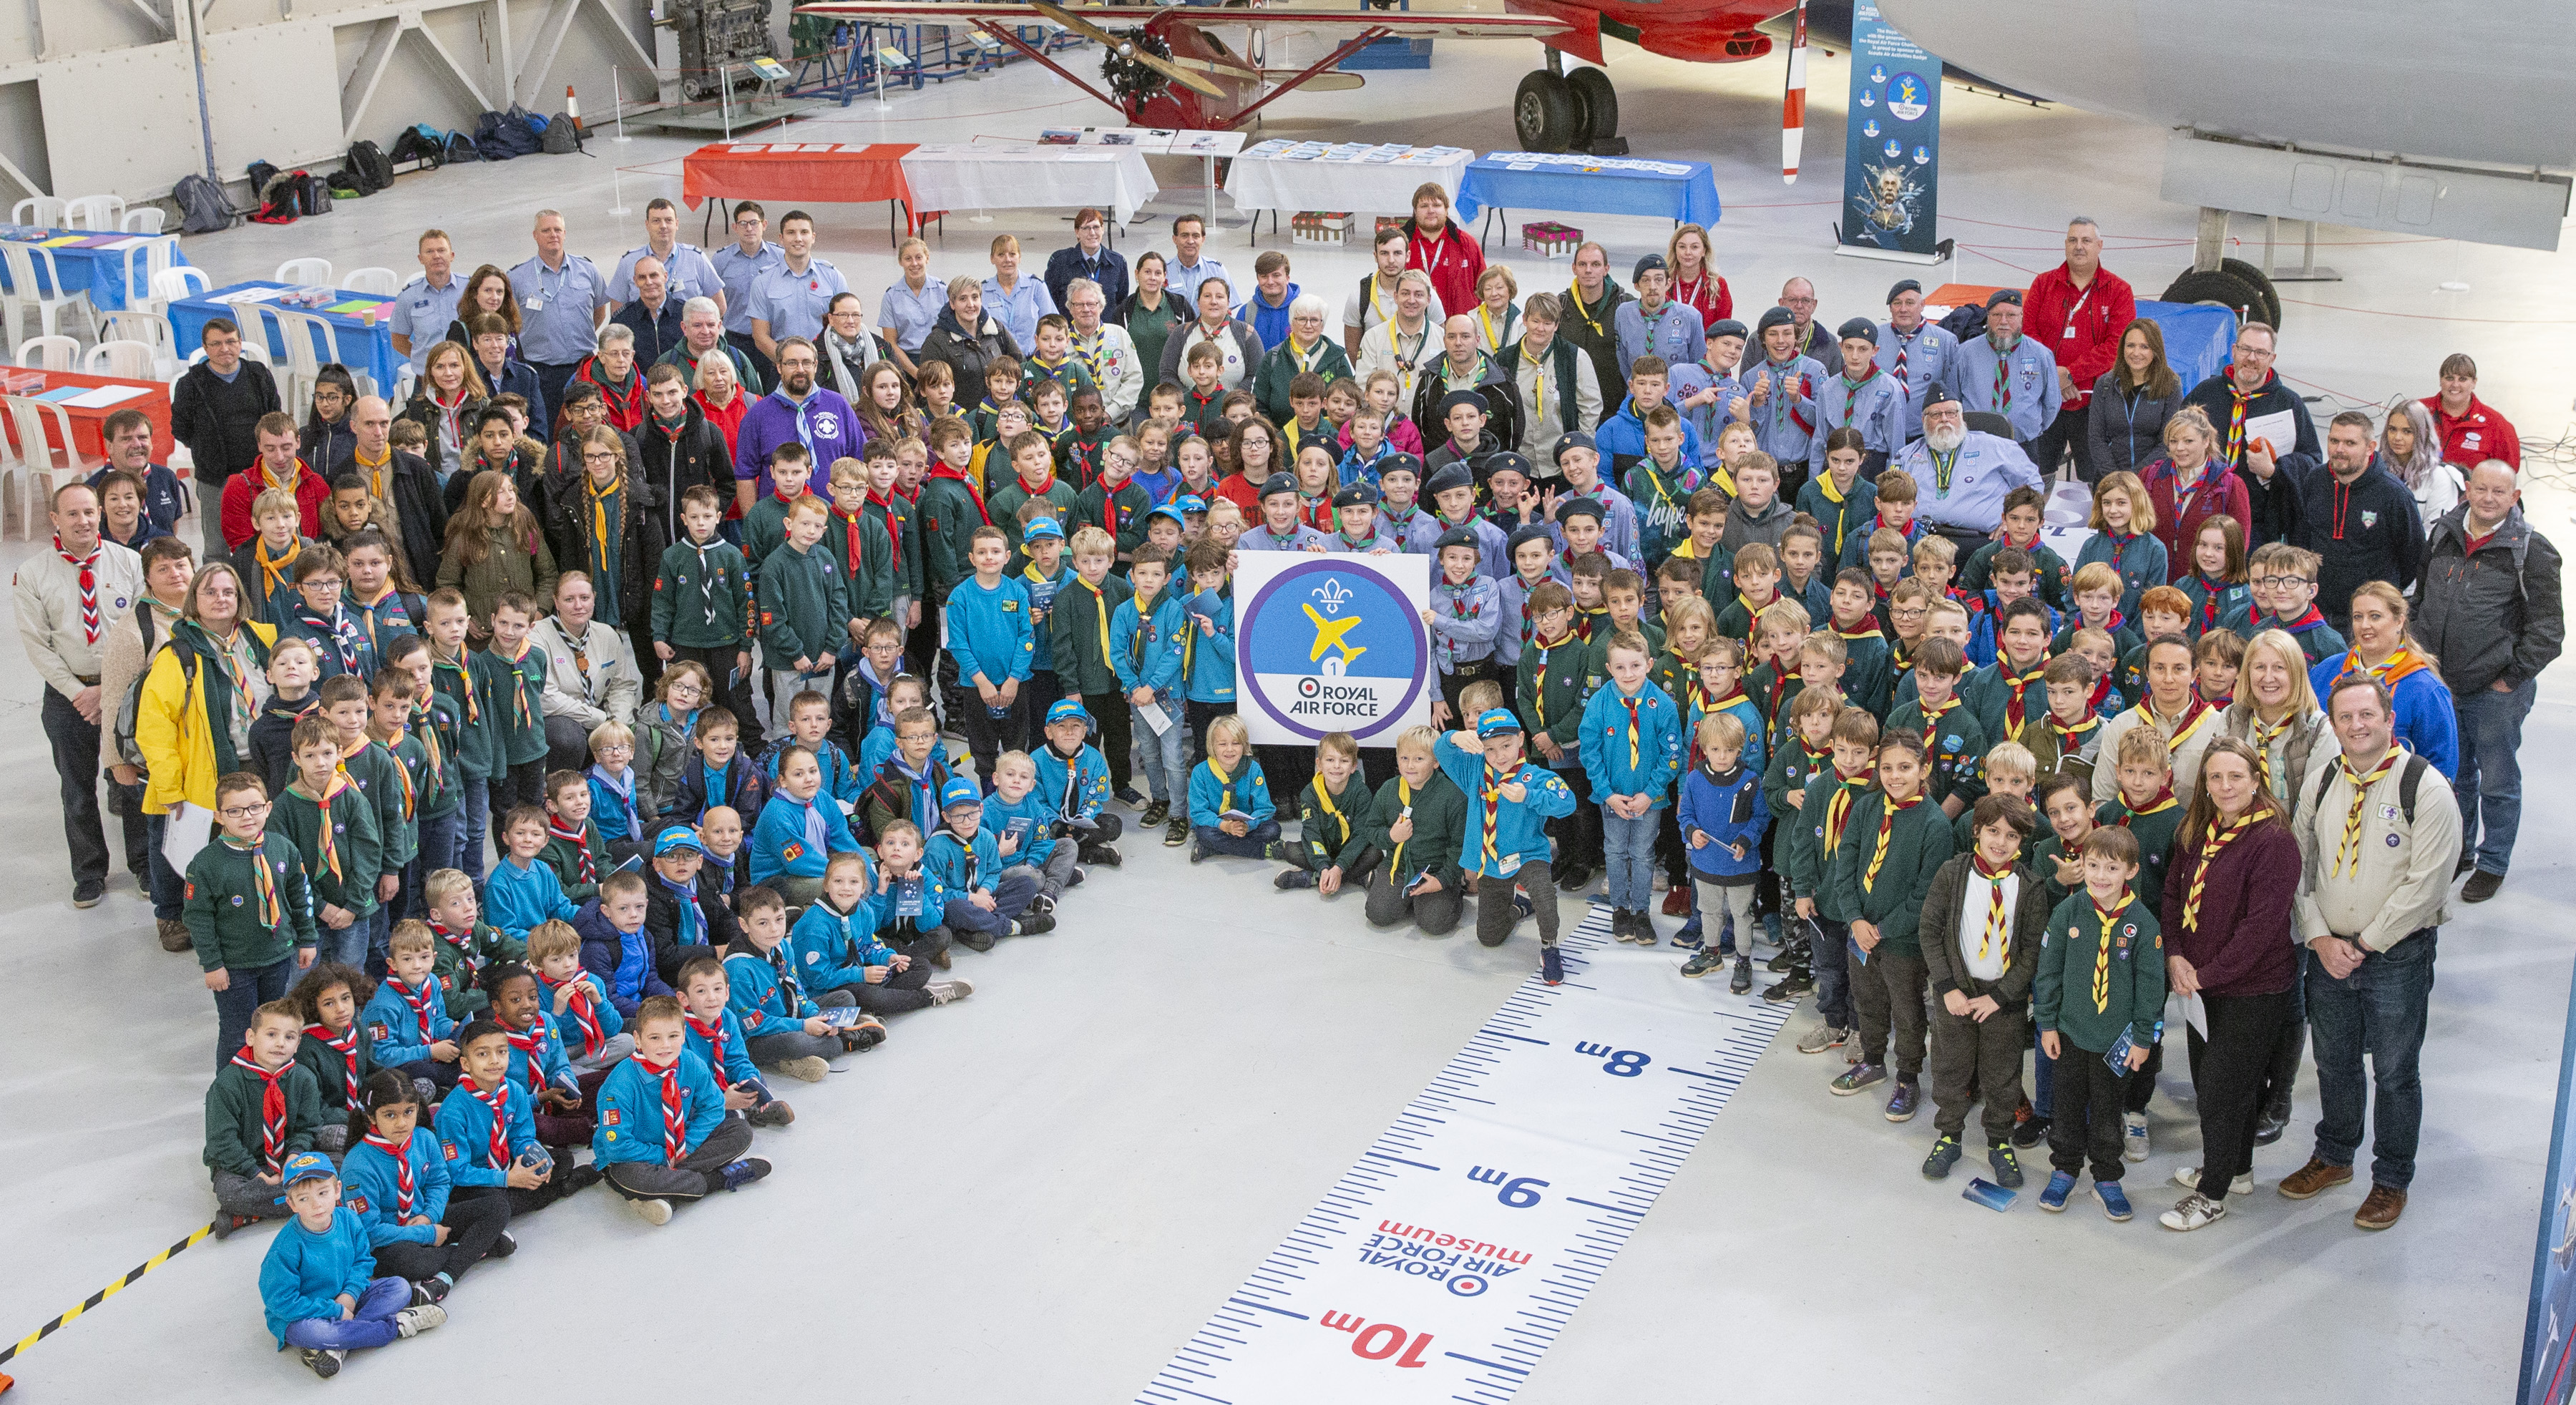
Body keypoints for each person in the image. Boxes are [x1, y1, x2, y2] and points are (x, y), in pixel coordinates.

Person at [2281, 673, 2462, 1232]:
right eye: (2346, 717)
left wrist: (2363, 943)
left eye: (2367, 715)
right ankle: (2335, 1155)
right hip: (2328, 952)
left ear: (2389, 719)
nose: (2357, 726)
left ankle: (2391, 1179)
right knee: (2333, 1062)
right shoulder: (2322, 782)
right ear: (2333, 726)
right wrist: (2318, 935)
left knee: (2395, 1071)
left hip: (2396, 956)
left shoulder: (2425, 787)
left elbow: (2428, 884)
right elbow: (2297, 863)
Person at [2153, 738, 2303, 1230]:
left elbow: (2260, 929)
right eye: (2215, 777)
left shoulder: (2273, 840)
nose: (2224, 786)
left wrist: (2205, 975)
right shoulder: (2197, 828)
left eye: (2235, 776)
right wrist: (2176, 954)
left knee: (2222, 1090)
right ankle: (2235, 1170)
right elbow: (2173, 894)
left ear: (2256, 780)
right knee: (2217, 1085)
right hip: (2200, 985)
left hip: (2252, 988)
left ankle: (2211, 1194)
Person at [2416, 462, 2562, 902]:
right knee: (2455, 774)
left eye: (2500, 492)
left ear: (2514, 497)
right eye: (2481, 489)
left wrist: (2511, 678)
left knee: (2497, 780)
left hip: (2497, 690)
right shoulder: (2443, 533)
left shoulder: (2532, 550)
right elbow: (2421, 599)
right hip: (2442, 684)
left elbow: (2548, 630)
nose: (2488, 498)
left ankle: (2493, 862)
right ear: (2467, 489)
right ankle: (2459, 850)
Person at [17, 480, 148, 908]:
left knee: (131, 779)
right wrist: (80, 693)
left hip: (124, 690)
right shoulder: (33, 574)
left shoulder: (129, 563)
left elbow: (143, 630)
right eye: (72, 514)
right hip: (68, 695)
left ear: (100, 514)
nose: (83, 521)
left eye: (89, 512)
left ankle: (144, 864)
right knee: (77, 788)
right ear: (55, 519)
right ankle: (89, 872)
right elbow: (38, 645)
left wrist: (110, 692)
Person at [1916, 792, 2048, 1187]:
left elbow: (2031, 951)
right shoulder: (1952, 874)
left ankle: (1999, 1141)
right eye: (1993, 831)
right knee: (1950, 1066)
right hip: (1955, 992)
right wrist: (1947, 987)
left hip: (2003, 1001)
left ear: (2022, 841)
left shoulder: (2031, 887)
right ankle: (1949, 1135)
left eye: (2012, 836)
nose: (2000, 842)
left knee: (2002, 1073)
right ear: (1977, 830)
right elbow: (1930, 931)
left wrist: (2001, 996)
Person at [1825, 726, 1954, 1119]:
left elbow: (1925, 896)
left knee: (1908, 1012)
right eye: (1887, 768)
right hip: (1860, 932)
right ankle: (1873, 1061)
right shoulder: (1866, 808)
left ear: (1923, 769)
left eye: (1905, 767)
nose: (1895, 776)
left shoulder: (1935, 825)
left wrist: (1880, 930)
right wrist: (1855, 919)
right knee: (1867, 1000)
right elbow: (1845, 867)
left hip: (1902, 941)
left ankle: (1908, 1077)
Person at [258, 1148, 450, 1379]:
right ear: (291, 1204)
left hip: (345, 1298)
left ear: (337, 1190)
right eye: (303, 1199)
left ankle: (339, 1344)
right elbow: (281, 1302)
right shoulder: (285, 1247)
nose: (316, 1205)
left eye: (322, 1193)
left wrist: (350, 1294)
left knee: (399, 1287)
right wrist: (335, 1310)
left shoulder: (349, 1220)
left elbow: (363, 1261)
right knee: (318, 1333)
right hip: (305, 1313)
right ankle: (396, 1327)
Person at [1437, 709, 1578, 981]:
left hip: (1528, 855)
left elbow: (1567, 802)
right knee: (1489, 937)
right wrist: (1454, 737)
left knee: (1545, 895)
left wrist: (1529, 796)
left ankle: (1550, 948)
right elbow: (1441, 751)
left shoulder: (1535, 777)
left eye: (1506, 745)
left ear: (1520, 739)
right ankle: (1519, 908)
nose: (1499, 755)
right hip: (1492, 860)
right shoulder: (1474, 772)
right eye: (1490, 749)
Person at [2022, 217, 2135, 481]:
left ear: (2100, 245)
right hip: (2043, 398)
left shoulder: (2119, 291)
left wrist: (2071, 374)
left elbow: (2117, 346)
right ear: (2065, 245)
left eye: (2086, 240)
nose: (2079, 247)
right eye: (2073, 240)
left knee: (2096, 479)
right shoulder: (2043, 284)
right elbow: (2028, 335)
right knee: (2036, 475)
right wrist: (2055, 377)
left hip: (2094, 404)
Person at [2182, 321, 2314, 547]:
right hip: (2202, 512)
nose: (2252, 358)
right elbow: (2174, 438)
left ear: (2272, 359)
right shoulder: (2205, 393)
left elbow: (2311, 462)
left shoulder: (2289, 403)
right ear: (2234, 351)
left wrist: (2273, 470)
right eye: (2245, 349)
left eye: (2261, 353)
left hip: (2258, 523)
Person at [2296, 412, 2424, 630]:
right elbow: (2301, 537)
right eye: (2334, 441)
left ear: (2370, 447)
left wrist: (2384, 593)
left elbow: (2413, 555)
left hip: (2369, 618)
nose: (2339, 449)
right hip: (2316, 610)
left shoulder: (2394, 494)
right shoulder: (2314, 480)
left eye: (2350, 443)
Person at [171, 317, 286, 561]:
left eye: (230, 342)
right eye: (216, 344)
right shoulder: (190, 385)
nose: (225, 349)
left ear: (240, 343)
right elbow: (180, 428)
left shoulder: (258, 375)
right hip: (215, 477)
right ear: (205, 348)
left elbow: (275, 416)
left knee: (271, 536)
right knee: (216, 548)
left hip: (259, 473)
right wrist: (206, 447)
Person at [1894, 388, 2044, 549]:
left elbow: (2033, 486)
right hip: (1920, 541)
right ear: (1924, 420)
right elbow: (1890, 496)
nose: (1944, 419)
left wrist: (2011, 523)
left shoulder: (1995, 447)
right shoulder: (1907, 455)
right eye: (1936, 415)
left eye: (1951, 413)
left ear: (1961, 417)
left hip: (1979, 542)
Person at [733, 338, 862, 515]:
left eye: (807, 363)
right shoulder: (758, 414)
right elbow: (745, 475)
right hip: (778, 520)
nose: (800, 369)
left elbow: (859, 460)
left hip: (834, 516)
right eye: (792, 363)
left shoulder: (838, 405)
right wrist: (754, 523)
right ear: (779, 367)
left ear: (815, 366)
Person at [508, 210, 609, 416]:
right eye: (546, 230)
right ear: (535, 235)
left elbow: (599, 311)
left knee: (589, 422)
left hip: (584, 367)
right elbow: (511, 321)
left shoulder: (587, 270)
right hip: (541, 372)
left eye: (557, 230)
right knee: (548, 425)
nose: (553, 235)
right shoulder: (517, 278)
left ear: (564, 233)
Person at [1947, 289, 2062, 451]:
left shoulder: (2041, 355)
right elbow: (1952, 398)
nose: (2004, 321)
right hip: (1975, 443)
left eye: (2011, 315)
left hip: (2023, 444)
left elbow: (2052, 404)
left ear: (2022, 317)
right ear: (1988, 317)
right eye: (1997, 315)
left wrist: (2031, 428)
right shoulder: (1965, 353)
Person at [1497, 293, 1601, 459]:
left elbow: (1590, 407)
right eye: (1535, 321)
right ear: (1525, 320)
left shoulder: (1575, 357)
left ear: (1556, 325)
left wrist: (1579, 448)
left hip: (1562, 458)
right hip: (1520, 459)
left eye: (1547, 323)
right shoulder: (1505, 359)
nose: (1540, 328)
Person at [2085, 317, 2185, 481]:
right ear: (2122, 348)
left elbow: (2168, 441)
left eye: (2144, 347)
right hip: (2109, 480)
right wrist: (2115, 479)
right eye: (2130, 345)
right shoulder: (2105, 384)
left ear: (2156, 350)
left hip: (2154, 480)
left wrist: (2135, 478)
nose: (2136, 353)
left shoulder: (2171, 385)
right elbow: (2096, 438)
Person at [746, 210, 848, 361]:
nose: (798, 238)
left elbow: (847, 324)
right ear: (781, 238)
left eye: (804, 232)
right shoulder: (763, 282)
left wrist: (820, 363)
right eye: (791, 233)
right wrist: (790, 363)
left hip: (827, 363)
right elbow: (761, 337)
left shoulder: (833, 277)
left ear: (813, 237)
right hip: (782, 365)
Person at [711, 202, 786, 381]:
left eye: (754, 223)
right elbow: (712, 300)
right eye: (743, 224)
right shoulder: (721, 260)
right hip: (737, 340)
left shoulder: (781, 257)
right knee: (738, 390)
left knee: (775, 389)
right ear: (735, 227)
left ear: (764, 225)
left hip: (771, 339)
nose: (749, 228)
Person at [1875, 279, 1957, 443]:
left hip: (1924, 435)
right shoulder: (1875, 338)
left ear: (1922, 305)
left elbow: (1953, 393)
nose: (1903, 309)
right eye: (1897, 303)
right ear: (1890, 308)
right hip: (1880, 433)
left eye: (1910, 303)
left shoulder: (1945, 341)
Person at [2420, 352, 2519, 474]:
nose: (2455, 385)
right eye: (2449, 378)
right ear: (2440, 380)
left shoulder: (2497, 424)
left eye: (2463, 379)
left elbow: (2507, 474)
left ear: (2474, 382)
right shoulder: (2417, 411)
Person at [1614, 255, 1705, 380]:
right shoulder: (1624, 314)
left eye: (1659, 279)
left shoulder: (1690, 316)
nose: (1652, 287)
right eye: (1646, 280)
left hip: (1676, 390)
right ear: (1637, 285)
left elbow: (1697, 363)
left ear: (1668, 283)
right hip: (1637, 389)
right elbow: (1623, 359)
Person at [658, 295, 766, 400]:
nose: (705, 331)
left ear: (719, 326)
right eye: (697, 325)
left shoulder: (737, 358)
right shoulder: (668, 362)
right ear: (684, 328)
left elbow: (757, 404)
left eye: (711, 325)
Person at [390, 229, 467, 372]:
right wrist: (427, 361)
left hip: (465, 374)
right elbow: (398, 341)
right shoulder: (408, 296)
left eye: (441, 250)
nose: (436, 256)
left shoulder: (469, 288)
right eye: (430, 252)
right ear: (421, 259)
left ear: (452, 255)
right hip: (426, 377)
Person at [2378, 396, 2461, 523]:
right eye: (2392, 429)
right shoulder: (2375, 469)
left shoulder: (2440, 477)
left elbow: (2435, 530)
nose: (2397, 437)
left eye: (2407, 431)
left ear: (2424, 433)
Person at [609, 254, 688, 366]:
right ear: (635, 281)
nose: (649, 282)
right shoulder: (622, 320)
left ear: (665, 277)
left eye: (653, 275)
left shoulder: (686, 313)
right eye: (642, 277)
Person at [1775, 277, 1834, 364]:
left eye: (1805, 300)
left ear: (1814, 305)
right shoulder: (1760, 340)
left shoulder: (1829, 343)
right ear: (1781, 303)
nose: (1799, 306)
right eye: (1793, 300)